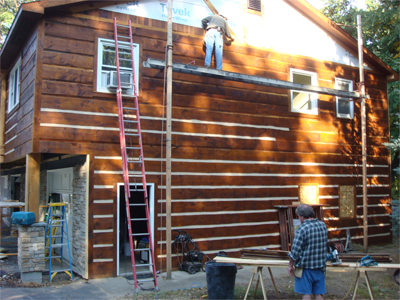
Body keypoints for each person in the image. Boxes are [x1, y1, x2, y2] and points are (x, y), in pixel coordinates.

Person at [288, 204, 328, 300]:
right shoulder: (323, 225)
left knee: (306, 294)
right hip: (320, 267)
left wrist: (290, 265)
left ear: (302, 217)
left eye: (298, 216)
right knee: (318, 294)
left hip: (305, 268)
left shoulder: (302, 229)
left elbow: (295, 251)